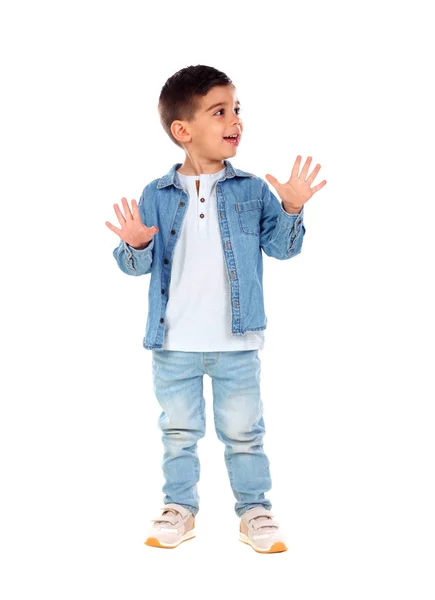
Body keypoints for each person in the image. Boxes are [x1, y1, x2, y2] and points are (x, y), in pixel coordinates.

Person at [105, 64, 327, 553]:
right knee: (179, 433)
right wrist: (137, 245)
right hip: (174, 343)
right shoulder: (156, 194)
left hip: (236, 342)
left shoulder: (251, 189)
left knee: (244, 433)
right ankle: (179, 508)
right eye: (220, 111)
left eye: (237, 110)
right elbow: (133, 265)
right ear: (182, 131)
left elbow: (284, 250)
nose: (236, 121)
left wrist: (291, 208)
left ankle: (254, 510)